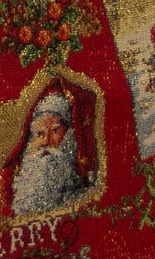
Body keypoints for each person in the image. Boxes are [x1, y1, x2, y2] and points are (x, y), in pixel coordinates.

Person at [5, 89, 92, 217]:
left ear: (69, 136)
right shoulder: (11, 198)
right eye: (40, 134)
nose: (46, 142)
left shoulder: (87, 197)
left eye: (55, 131)